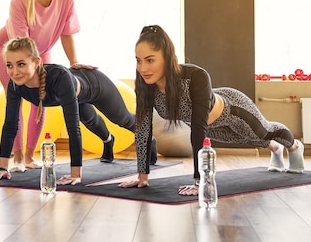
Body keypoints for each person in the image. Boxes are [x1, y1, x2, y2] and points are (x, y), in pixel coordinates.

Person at [119, 24, 305, 196]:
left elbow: (198, 127)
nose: (143, 68)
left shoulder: (194, 76)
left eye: (150, 60)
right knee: (246, 139)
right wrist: (142, 177)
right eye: (138, 60)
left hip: (234, 110)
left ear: (167, 58)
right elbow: (143, 130)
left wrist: (200, 181)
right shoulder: (146, 88)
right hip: (212, 126)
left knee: (264, 133)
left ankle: (294, 147)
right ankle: (275, 149)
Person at [0, 37, 154, 185]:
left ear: (36, 62)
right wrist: (2, 168)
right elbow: (10, 125)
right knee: (90, 121)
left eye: (21, 64)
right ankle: (108, 140)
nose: (14, 72)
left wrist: (75, 174)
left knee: (122, 119)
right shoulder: (15, 85)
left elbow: (72, 128)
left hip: (97, 86)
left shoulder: (59, 78)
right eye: (9, 65)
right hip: (75, 96)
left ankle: (149, 137)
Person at [0, 0, 96, 172]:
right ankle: (17, 157)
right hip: (11, 48)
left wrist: (73, 63)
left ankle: (30, 156)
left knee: (41, 99)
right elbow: (20, 47)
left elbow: (67, 32)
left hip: (41, 50)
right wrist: (29, 66)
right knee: (16, 97)